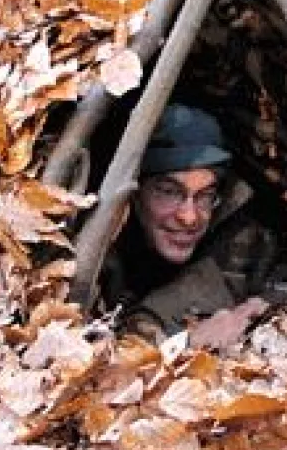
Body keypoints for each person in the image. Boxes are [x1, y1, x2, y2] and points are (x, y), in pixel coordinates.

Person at [99, 103, 276, 348]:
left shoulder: (238, 230)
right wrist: (183, 342)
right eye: (170, 192)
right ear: (135, 194)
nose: (190, 217)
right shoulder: (97, 244)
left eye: (204, 195)